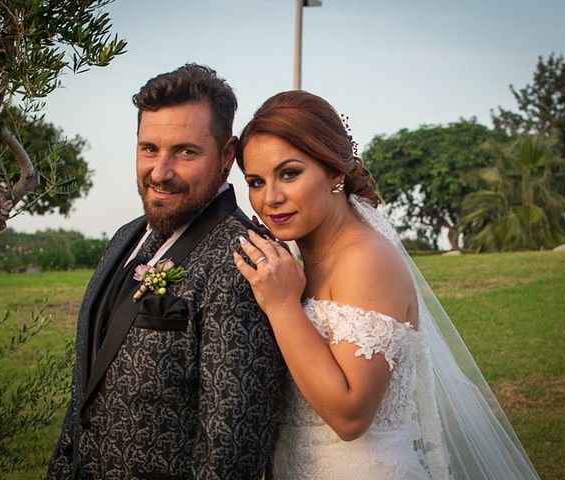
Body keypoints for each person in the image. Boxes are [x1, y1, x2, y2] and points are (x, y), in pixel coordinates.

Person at [233, 90, 540, 479]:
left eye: (289, 173)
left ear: (335, 172)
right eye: (256, 182)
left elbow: (350, 415)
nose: (270, 198)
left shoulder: (366, 260)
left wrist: (281, 307)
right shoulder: (301, 266)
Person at [47, 64, 284, 479]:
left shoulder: (245, 262)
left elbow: (231, 452)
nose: (159, 172)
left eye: (185, 152)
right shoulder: (125, 236)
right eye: (149, 148)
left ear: (227, 155)